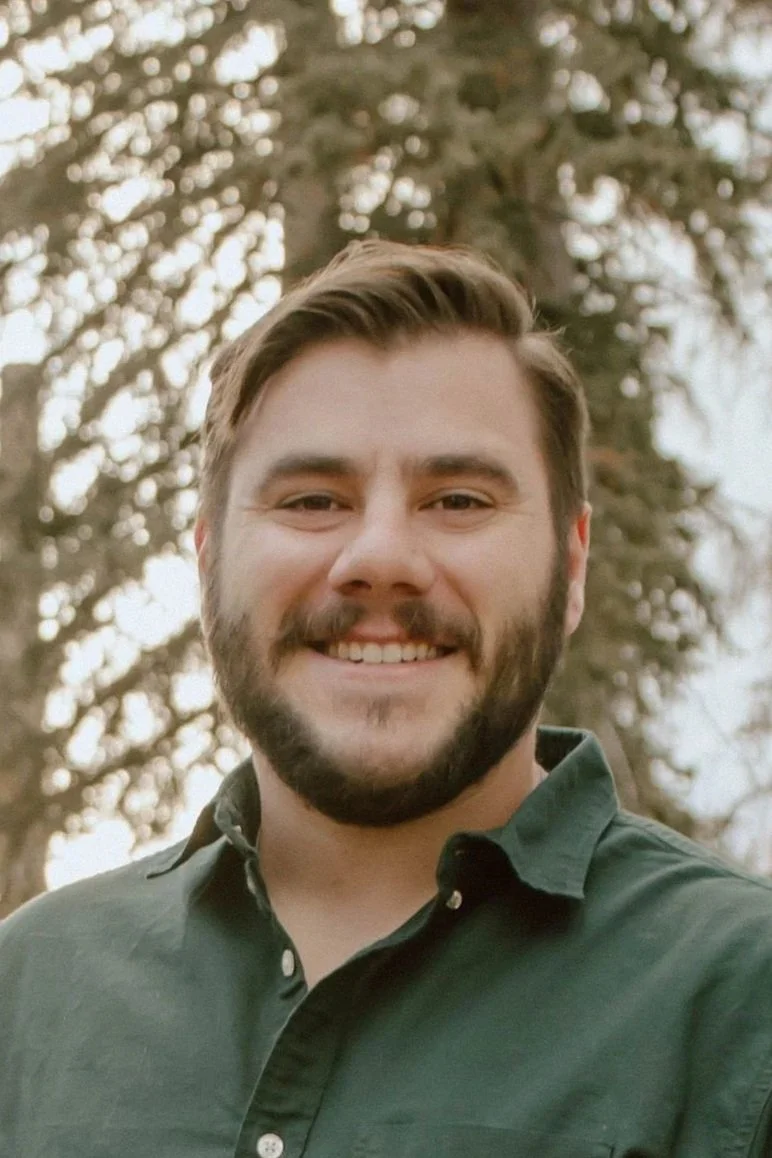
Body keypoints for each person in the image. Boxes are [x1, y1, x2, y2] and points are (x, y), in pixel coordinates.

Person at [2, 240, 772, 1158]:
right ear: (207, 562)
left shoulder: (742, 1002)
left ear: (571, 567)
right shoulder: (28, 992)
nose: (379, 558)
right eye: (312, 501)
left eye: (458, 500)